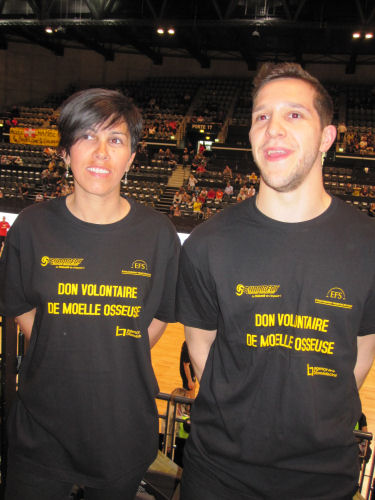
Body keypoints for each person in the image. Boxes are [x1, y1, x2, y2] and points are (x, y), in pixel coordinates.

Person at [176, 63, 375, 500]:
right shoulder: (207, 244)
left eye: (295, 115)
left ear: (327, 137)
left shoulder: (368, 245)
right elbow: (201, 347)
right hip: (218, 474)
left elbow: (361, 352)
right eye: (261, 117)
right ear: (249, 136)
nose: (273, 129)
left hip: (323, 479)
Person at [0, 88, 180, 500]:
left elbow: (157, 319)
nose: (101, 152)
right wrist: (62, 344)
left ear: (132, 157)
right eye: (87, 137)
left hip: (122, 431)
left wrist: (115, 349)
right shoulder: (31, 227)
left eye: (115, 140)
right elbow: (23, 310)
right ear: (65, 152)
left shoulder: (158, 234)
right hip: (40, 432)